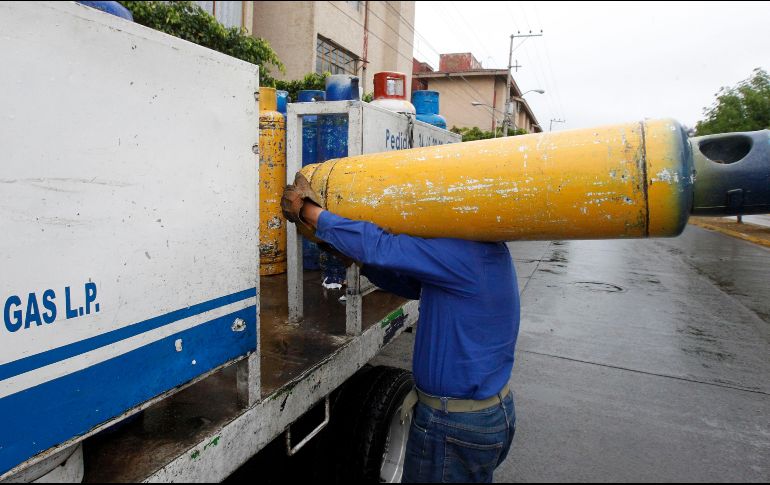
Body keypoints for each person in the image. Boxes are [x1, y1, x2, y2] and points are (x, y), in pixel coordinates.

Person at [281, 174, 520, 483]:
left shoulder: (465, 255)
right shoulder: (488, 254)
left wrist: (309, 211)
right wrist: (356, 261)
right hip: (484, 415)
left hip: (454, 424)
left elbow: (382, 246)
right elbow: (411, 283)